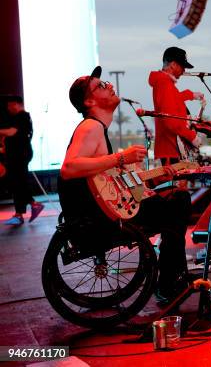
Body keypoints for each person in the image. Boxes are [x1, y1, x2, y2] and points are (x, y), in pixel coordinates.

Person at [58, 66, 193, 303]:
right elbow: (69, 169)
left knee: (171, 197)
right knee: (178, 202)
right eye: (100, 86)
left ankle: (170, 278)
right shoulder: (91, 126)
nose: (109, 85)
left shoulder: (97, 129)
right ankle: (169, 283)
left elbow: (106, 184)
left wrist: (154, 177)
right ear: (89, 101)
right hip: (98, 222)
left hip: (100, 215)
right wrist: (122, 157)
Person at [148, 47, 206, 165]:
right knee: (176, 182)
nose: (184, 70)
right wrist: (191, 136)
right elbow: (170, 120)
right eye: (182, 66)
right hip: (170, 147)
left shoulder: (164, 82)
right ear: (173, 64)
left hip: (170, 147)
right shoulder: (164, 83)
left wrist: (191, 95)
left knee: (179, 182)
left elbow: (171, 101)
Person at [0, 95, 44, 225]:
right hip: (17, 154)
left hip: (20, 154)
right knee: (18, 183)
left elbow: (12, 132)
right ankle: (29, 207)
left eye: (10, 105)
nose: (8, 108)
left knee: (18, 182)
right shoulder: (19, 118)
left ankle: (23, 211)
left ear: (16, 104)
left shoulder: (22, 116)